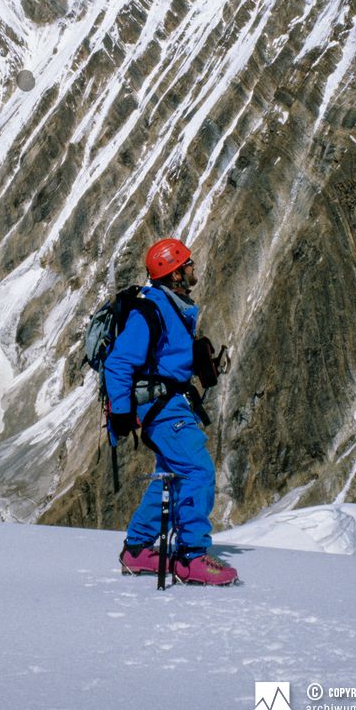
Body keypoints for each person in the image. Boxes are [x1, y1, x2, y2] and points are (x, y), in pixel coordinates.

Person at [104, 237, 238, 586]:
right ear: (174, 272)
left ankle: (136, 550)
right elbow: (119, 363)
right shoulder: (151, 308)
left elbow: (163, 358)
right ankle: (191, 556)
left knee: (173, 475)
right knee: (197, 470)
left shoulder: (171, 305)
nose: (193, 268)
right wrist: (120, 411)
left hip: (170, 403)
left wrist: (196, 361)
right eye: (187, 264)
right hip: (161, 409)